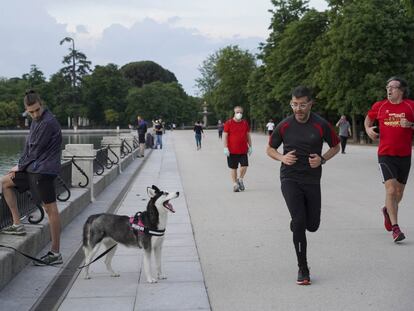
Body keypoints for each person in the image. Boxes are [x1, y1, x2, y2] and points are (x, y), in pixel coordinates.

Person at [266, 86, 340, 285]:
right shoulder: (284, 125)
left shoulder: (320, 124)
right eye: (294, 104)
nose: (298, 109)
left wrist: (322, 159)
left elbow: (336, 146)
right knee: (299, 222)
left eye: (302, 105)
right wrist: (282, 157)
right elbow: (270, 148)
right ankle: (303, 268)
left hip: (312, 179)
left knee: (313, 225)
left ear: (310, 104)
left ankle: (298, 223)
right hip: (289, 177)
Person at [0, 90, 63, 266]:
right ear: (26, 110)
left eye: (37, 110)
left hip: (44, 172)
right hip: (33, 169)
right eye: (31, 111)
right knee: (5, 182)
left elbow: (35, 150)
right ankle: (17, 223)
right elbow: (28, 148)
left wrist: (19, 166)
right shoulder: (36, 121)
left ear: (41, 104)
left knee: (51, 211)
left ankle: (55, 253)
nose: (35, 114)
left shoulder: (48, 122)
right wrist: (19, 166)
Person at [365, 76, 414, 243]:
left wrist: (411, 125)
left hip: (405, 155)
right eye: (388, 87)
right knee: (391, 190)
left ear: (401, 90)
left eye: (393, 87)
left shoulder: (410, 106)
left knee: (399, 193)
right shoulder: (380, 106)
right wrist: (368, 129)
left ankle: (387, 210)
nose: (389, 89)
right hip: (385, 155)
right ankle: (395, 228)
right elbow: (368, 119)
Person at [223, 106, 252, 192]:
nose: (239, 114)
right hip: (232, 150)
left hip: (243, 150)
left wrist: (250, 146)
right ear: (234, 113)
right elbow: (225, 136)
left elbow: (248, 135)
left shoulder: (244, 123)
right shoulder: (229, 123)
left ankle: (240, 179)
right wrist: (225, 147)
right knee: (233, 168)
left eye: (241, 112)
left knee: (244, 166)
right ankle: (235, 184)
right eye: (237, 112)